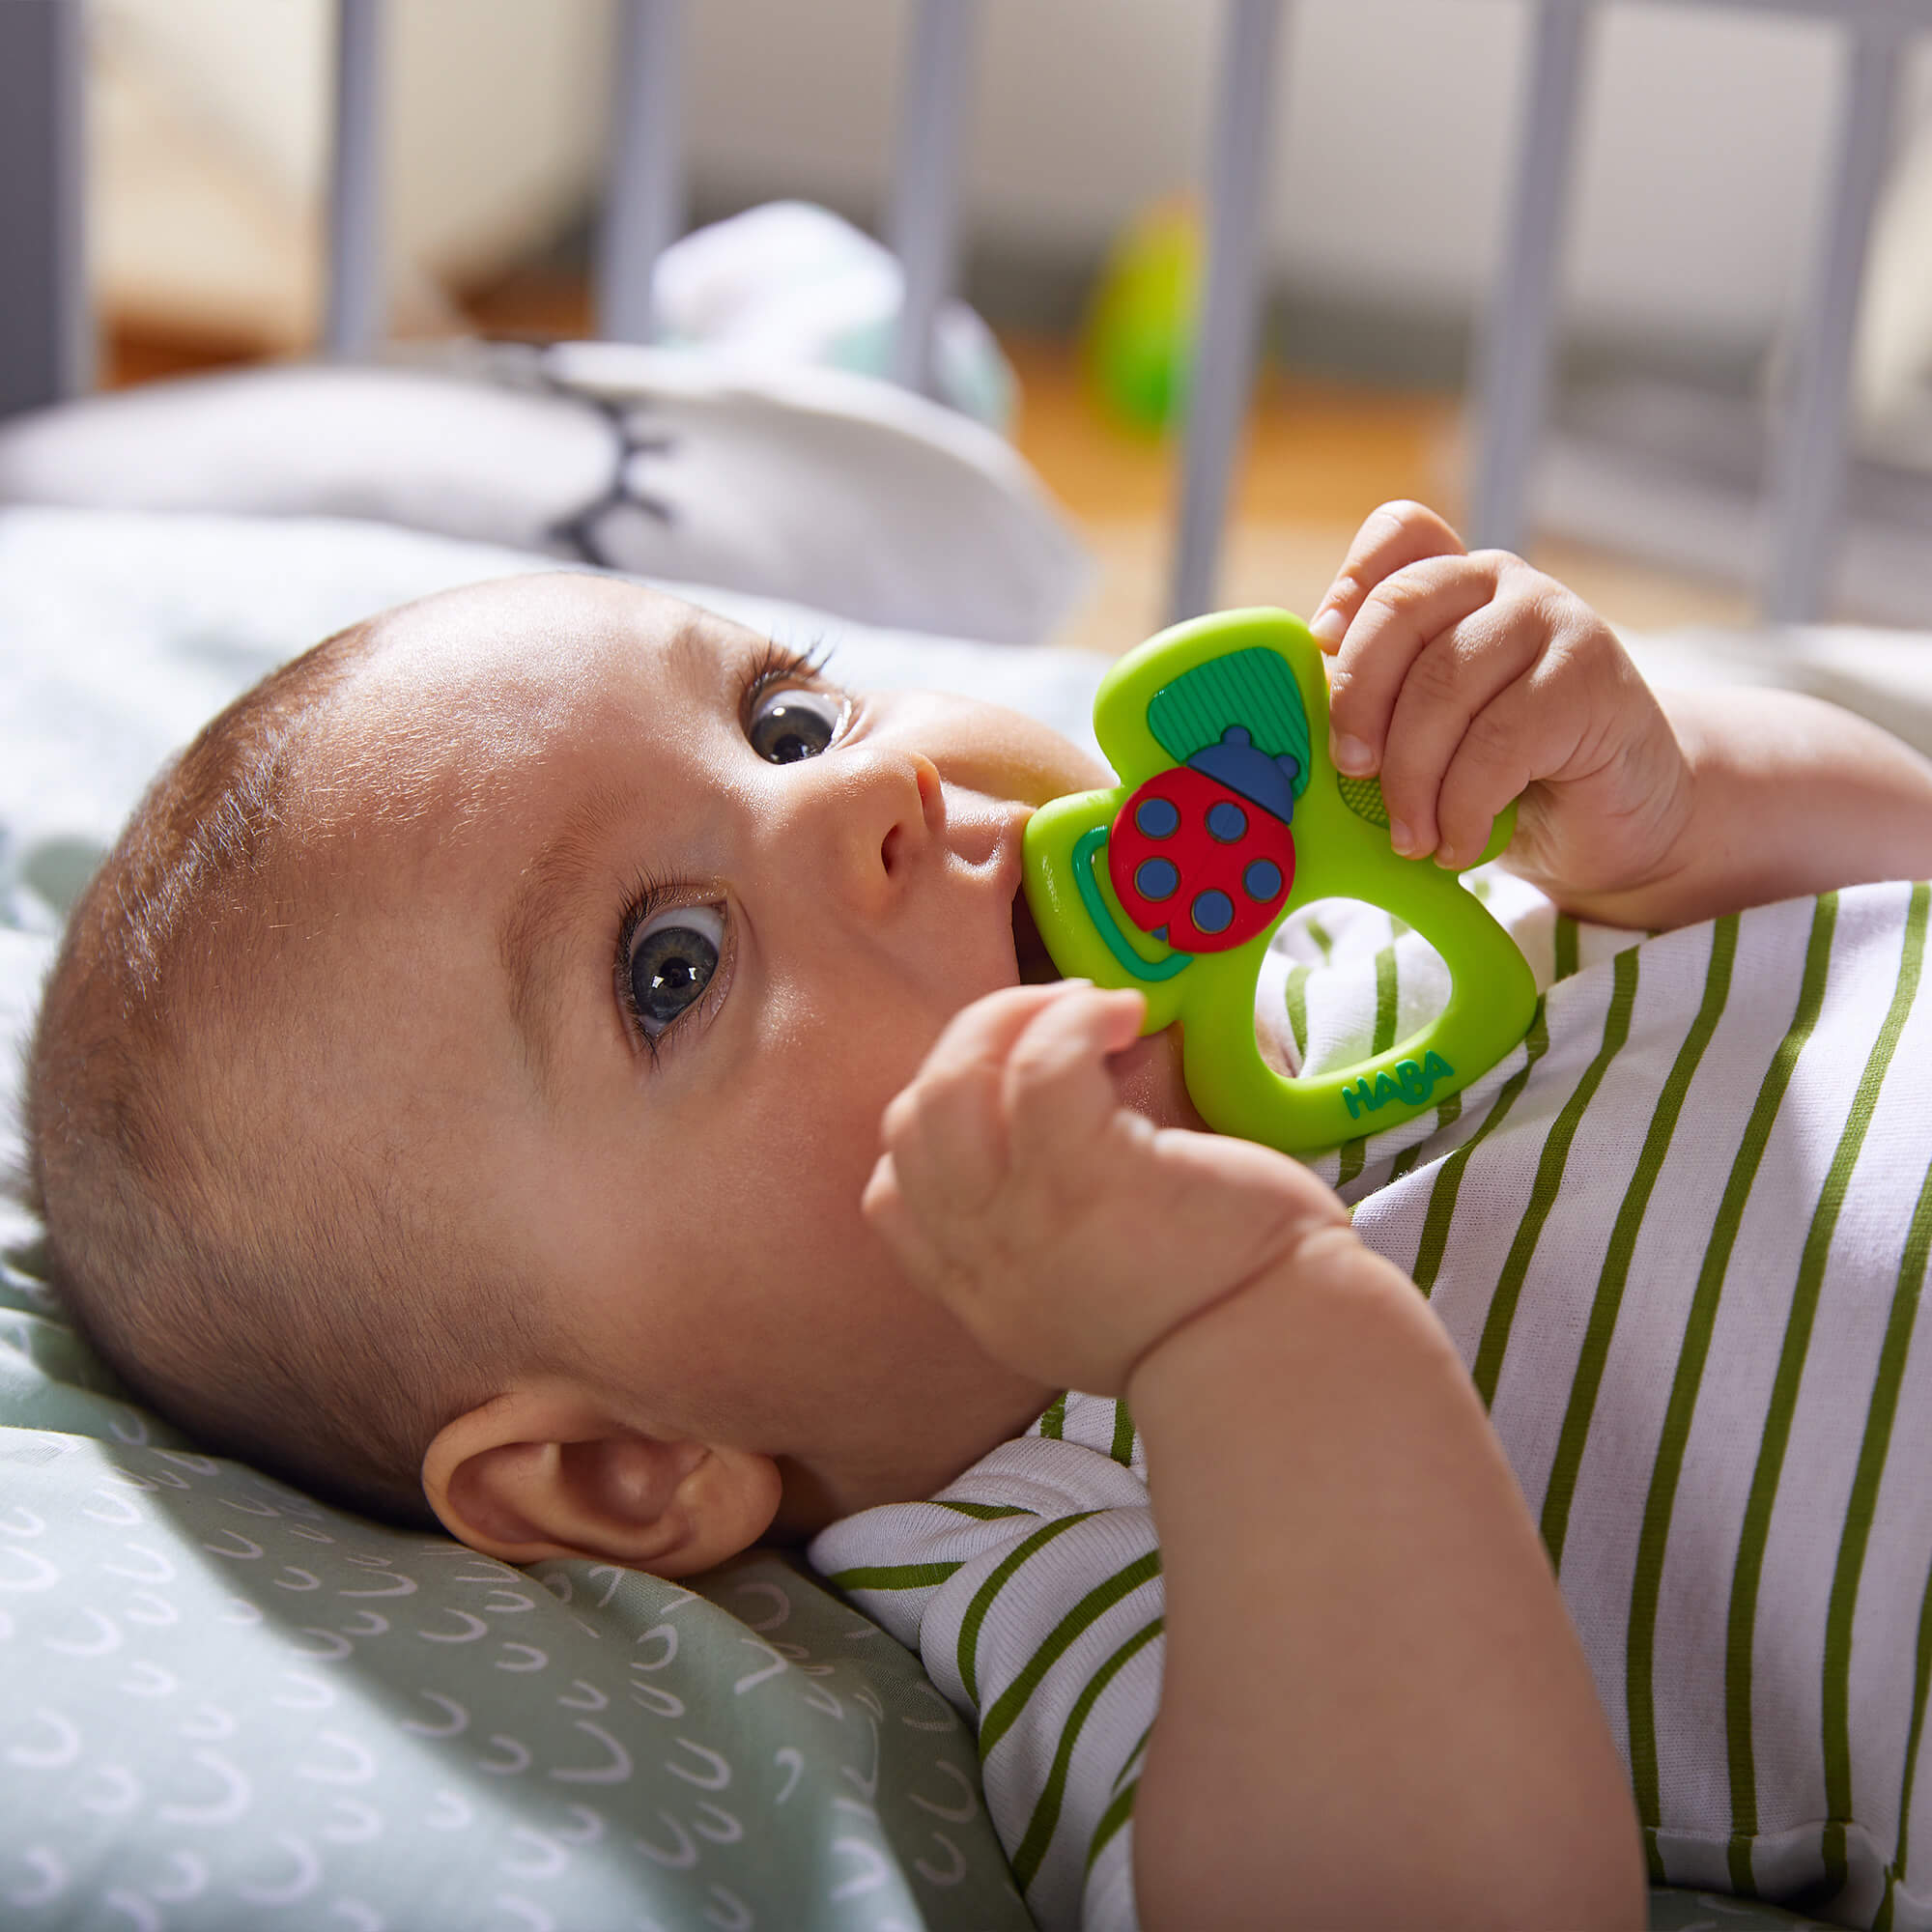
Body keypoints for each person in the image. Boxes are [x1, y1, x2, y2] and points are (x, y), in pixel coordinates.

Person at [23, 500, 1932, 1930]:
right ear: (621, 1473)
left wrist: (1667, 805)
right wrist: (1245, 1323)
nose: (865, 793)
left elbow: (1885, 874)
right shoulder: (1052, 1529)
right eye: (671, 968)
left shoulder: (1328, 954)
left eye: (780, 720)